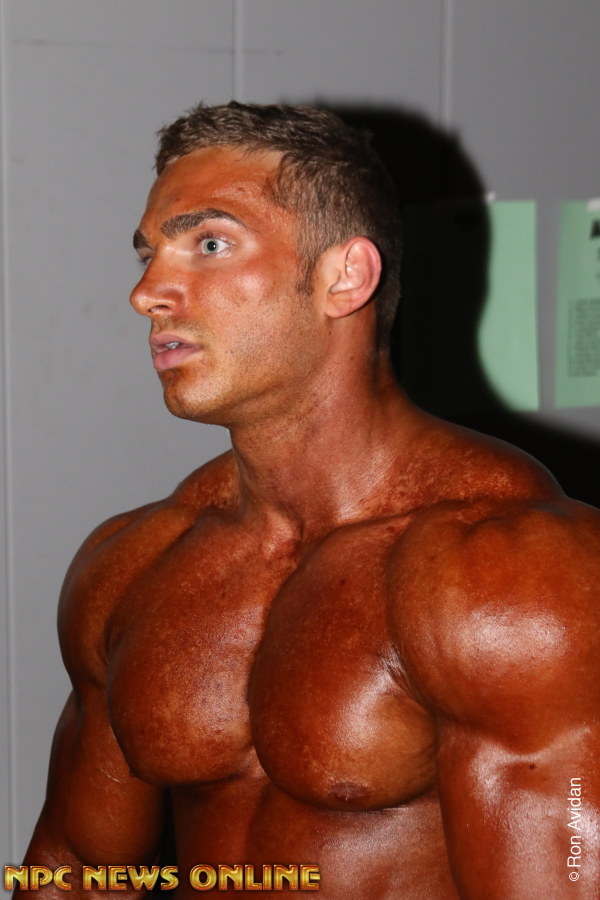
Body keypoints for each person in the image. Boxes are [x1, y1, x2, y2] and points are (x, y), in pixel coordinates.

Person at [17, 102, 600, 898]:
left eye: (209, 243)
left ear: (345, 277)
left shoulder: (519, 575)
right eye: (149, 255)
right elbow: (72, 872)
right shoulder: (132, 565)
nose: (147, 292)